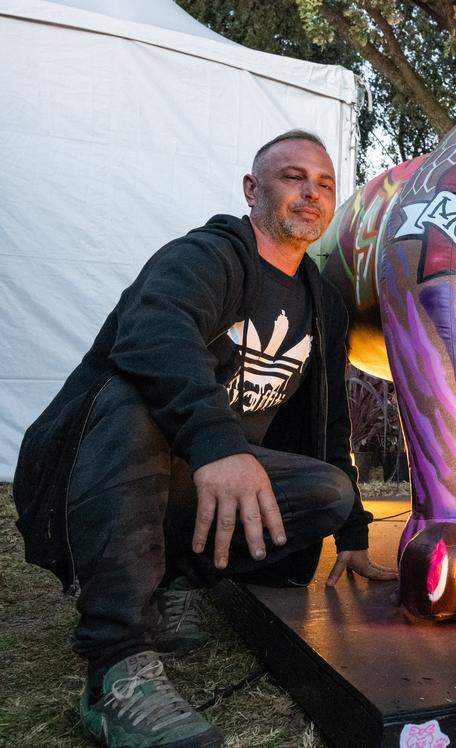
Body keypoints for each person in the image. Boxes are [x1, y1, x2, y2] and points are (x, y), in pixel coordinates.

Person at [12, 131, 395, 747]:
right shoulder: (207, 256)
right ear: (252, 188)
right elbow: (152, 333)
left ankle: (175, 579)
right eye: (292, 176)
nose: (311, 193)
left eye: (324, 183)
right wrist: (219, 444)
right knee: (134, 402)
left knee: (325, 491)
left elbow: (329, 422)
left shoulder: (321, 301)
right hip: (116, 464)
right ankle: (116, 670)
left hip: (207, 483)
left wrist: (350, 530)